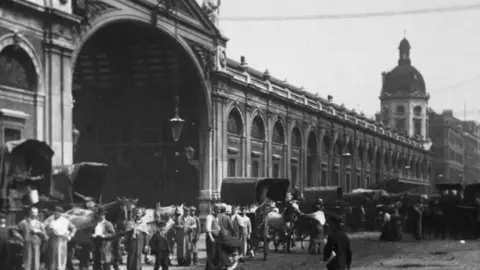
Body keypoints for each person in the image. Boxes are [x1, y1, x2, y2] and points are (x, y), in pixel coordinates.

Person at [205, 204, 221, 270]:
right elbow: (208, 229)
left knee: (217, 254)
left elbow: (218, 227)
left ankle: (215, 267)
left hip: (217, 237)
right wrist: (211, 238)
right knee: (211, 254)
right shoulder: (209, 217)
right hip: (211, 237)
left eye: (219, 210)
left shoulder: (217, 217)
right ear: (214, 210)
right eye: (217, 209)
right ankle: (210, 268)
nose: (219, 211)